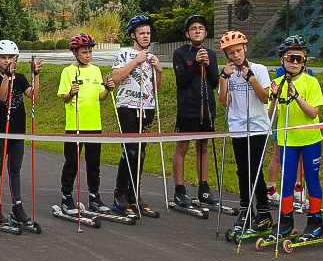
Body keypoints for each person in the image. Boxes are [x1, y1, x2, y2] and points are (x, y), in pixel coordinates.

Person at [269, 36, 323, 241]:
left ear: (304, 62)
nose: (294, 62)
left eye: (299, 59)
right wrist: (275, 96)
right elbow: (270, 116)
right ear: (282, 60)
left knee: (311, 180)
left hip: (310, 139)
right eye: (290, 58)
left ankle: (315, 221)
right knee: (287, 182)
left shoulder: (312, 82)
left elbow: (312, 113)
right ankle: (285, 221)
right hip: (287, 140)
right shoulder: (277, 82)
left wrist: (296, 96)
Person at [217, 30, 272, 236]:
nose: (236, 56)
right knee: (242, 171)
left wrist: (250, 78)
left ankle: (264, 211)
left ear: (245, 49)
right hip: (237, 127)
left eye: (238, 51)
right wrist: (223, 79)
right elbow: (224, 101)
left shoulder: (259, 69)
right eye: (231, 53)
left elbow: (266, 97)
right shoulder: (228, 73)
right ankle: (245, 210)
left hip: (257, 126)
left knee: (254, 169)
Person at [0, 39, 42, 227]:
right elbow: (2, 95)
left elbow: (33, 94)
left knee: (15, 169)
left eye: (10, 57)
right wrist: (7, 77)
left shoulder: (21, 77)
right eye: (3, 57)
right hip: (1, 132)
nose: (7, 61)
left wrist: (36, 74)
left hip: (18, 131)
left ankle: (17, 206)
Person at [57, 33, 115, 215]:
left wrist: (108, 88)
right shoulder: (67, 71)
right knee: (72, 163)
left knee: (94, 164)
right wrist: (71, 93)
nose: (88, 55)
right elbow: (64, 99)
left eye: (90, 51)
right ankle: (66, 196)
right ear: (75, 53)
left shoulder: (96, 70)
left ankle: (94, 196)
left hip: (94, 124)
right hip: (75, 125)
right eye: (84, 52)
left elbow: (101, 96)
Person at [111, 16, 161, 217]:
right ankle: (119, 194)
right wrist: (135, 61)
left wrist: (158, 70)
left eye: (148, 33)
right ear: (133, 35)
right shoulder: (124, 53)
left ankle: (134, 194)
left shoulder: (151, 56)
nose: (146, 36)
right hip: (127, 105)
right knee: (129, 151)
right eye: (142, 33)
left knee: (141, 152)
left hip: (147, 106)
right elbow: (116, 78)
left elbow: (155, 88)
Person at [171, 15, 219, 208]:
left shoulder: (212, 54)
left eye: (200, 28)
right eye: (193, 28)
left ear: (206, 33)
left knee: (203, 147)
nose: (197, 30)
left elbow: (214, 83)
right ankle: (179, 190)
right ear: (187, 34)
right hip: (187, 108)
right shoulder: (180, 53)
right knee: (182, 147)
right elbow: (181, 82)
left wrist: (207, 65)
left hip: (206, 108)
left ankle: (204, 188)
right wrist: (195, 64)